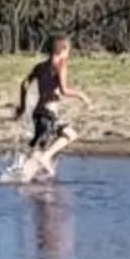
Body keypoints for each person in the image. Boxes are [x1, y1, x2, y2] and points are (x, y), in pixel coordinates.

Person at [13, 35, 91, 182]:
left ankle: (22, 178)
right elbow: (64, 90)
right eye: (68, 51)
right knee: (70, 135)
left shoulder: (40, 67)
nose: (68, 54)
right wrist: (82, 96)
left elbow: (24, 84)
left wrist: (23, 108)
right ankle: (45, 159)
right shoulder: (61, 65)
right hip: (49, 113)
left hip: (38, 114)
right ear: (63, 50)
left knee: (38, 149)